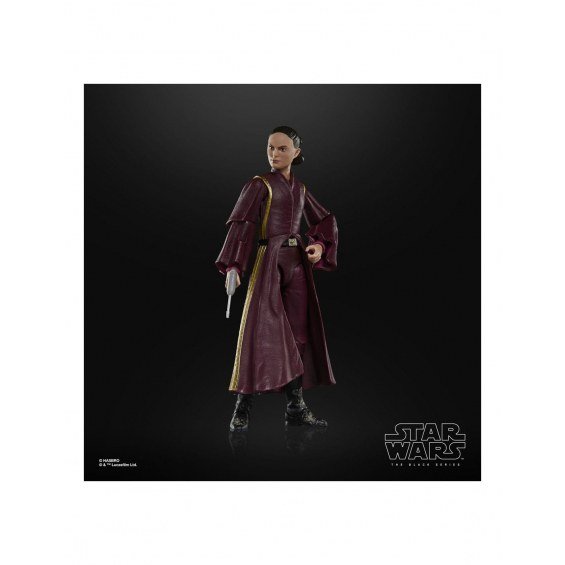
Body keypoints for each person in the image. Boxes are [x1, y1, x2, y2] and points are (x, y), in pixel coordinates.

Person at [215, 126, 338, 431]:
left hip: (296, 263)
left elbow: (324, 219)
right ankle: (242, 407)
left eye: (283, 148)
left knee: (298, 334)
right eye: (271, 147)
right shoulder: (259, 184)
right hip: (268, 260)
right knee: (258, 330)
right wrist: (234, 265)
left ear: (297, 152)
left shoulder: (300, 189)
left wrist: (318, 246)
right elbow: (242, 225)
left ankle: (295, 406)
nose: (275, 154)